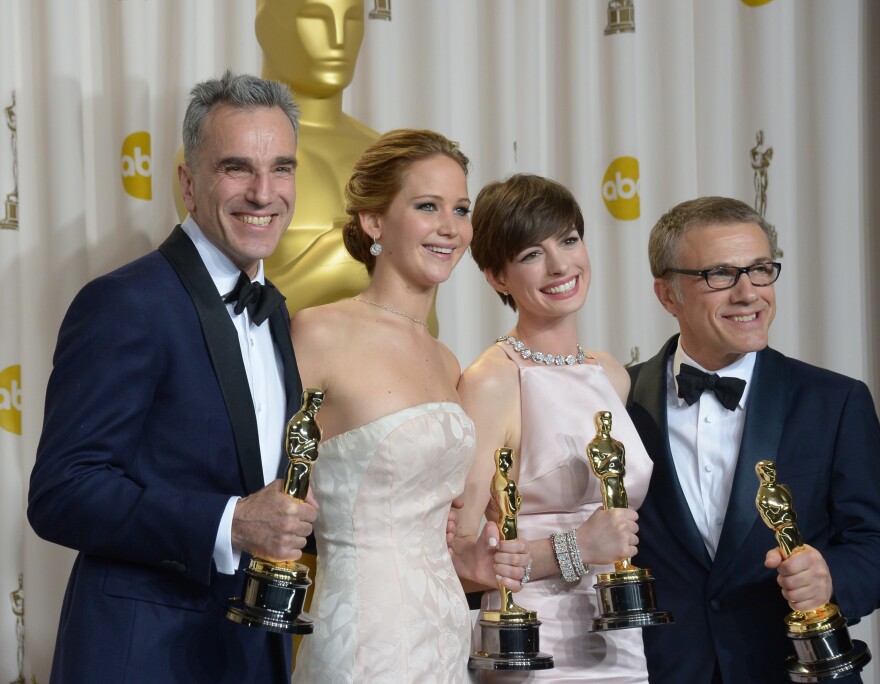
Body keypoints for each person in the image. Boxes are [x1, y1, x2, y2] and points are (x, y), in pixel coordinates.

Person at [28, 71, 318, 683]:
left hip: (249, 655)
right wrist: (230, 522)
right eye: (236, 168)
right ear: (188, 182)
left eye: (282, 169)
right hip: (143, 656)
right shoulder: (126, 302)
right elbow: (62, 492)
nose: (264, 193)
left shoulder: (275, 312)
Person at [289, 129, 529, 682]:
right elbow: (261, 481)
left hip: (446, 631)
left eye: (461, 209)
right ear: (374, 221)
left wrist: (470, 558)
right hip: (363, 640)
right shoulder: (319, 331)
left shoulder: (448, 361)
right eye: (427, 206)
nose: (450, 227)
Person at [626, 195, 880, 683]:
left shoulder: (836, 401)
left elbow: (872, 541)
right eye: (720, 274)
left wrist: (831, 576)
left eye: (761, 270)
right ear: (667, 294)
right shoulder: (618, 403)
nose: (749, 294)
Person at [454, 173, 652, 682]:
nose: (561, 265)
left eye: (568, 239)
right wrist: (576, 548)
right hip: (531, 647)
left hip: (622, 642)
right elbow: (454, 557)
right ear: (497, 277)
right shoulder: (492, 381)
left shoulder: (610, 374)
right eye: (531, 254)